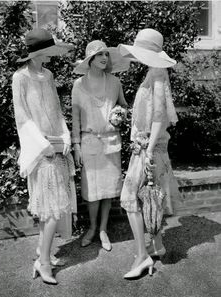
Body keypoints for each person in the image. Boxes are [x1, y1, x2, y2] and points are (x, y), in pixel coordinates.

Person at [12, 28, 76, 285]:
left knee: (52, 209)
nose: (52, 55)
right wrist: (43, 145)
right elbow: (22, 117)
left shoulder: (48, 75)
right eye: (49, 50)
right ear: (38, 53)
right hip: (41, 151)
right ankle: (44, 262)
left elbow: (56, 110)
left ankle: (42, 251)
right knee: (50, 212)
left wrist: (66, 134)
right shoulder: (20, 78)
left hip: (57, 148)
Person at [119, 28, 181, 279]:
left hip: (148, 147)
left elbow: (159, 118)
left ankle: (142, 256)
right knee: (151, 196)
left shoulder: (157, 73)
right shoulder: (155, 72)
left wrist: (147, 151)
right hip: (150, 146)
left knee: (130, 198)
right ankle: (157, 245)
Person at [72, 40, 129, 251]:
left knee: (107, 189)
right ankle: (92, 227)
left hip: (111, 142)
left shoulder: (115, 82)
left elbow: (123, 106)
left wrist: (119, 115)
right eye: (99, 55)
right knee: (92, 190)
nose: (104, 58)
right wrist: (76, 145)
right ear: (90, 60)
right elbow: (75, 118)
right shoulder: (78, 85)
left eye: (106, 54)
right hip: (88, 143)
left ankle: (104, 229)